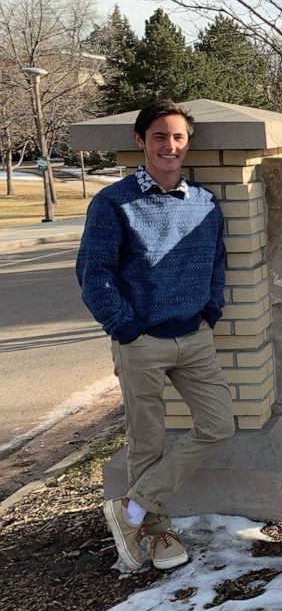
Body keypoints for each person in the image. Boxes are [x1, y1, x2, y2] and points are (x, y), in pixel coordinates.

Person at [76, 99, 234, 571]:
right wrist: (125, 328)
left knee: (219, 425)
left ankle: (132, 508)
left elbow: (217, 262)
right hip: (140, 341)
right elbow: (93, 272)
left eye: (178, 137)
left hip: (195, 337)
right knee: (147, 441)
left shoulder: (204, 203)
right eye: (160, 137)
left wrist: (212, 308)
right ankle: (158, 531)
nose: (170, 146)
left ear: (188, 142)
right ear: (140, 141)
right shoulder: (113, 203)